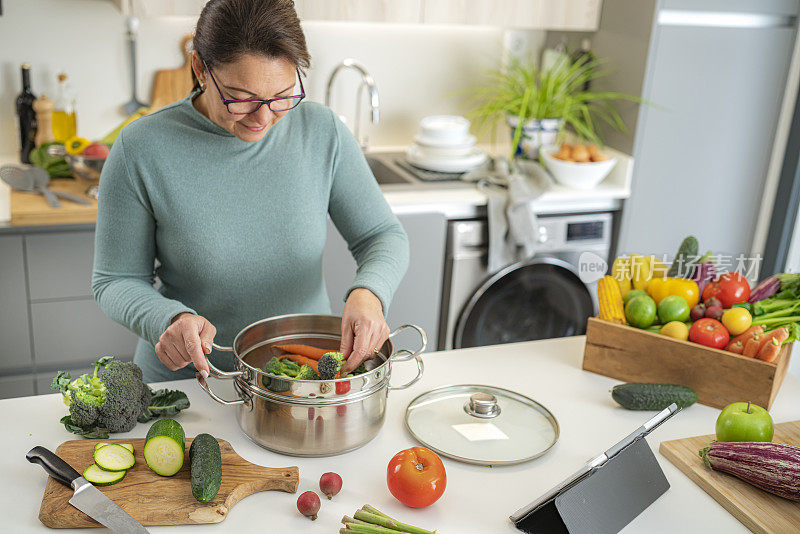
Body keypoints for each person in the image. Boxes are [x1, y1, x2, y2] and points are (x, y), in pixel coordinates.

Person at [92, 0, 409, 383]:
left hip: (299, 380)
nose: (263, 118)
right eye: (241, 98)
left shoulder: (322, 132)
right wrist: (170, 319)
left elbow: (382, 235)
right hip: (190, 384)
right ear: (199, 69)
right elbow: (115, 279)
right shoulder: (141, 147)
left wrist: (369, 293)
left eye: (281, 96)